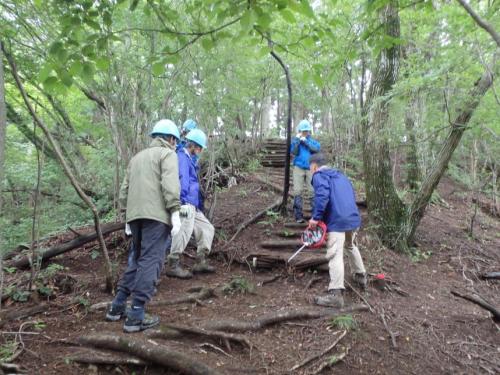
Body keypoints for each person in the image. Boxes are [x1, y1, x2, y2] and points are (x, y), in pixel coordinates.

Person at [105, 119, 182, 333]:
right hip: (157, 217)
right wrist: (175, 211)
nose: (176, 144)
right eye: (175, 141)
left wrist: (127, 216)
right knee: (151, 261)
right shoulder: (168, 154)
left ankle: (117, 306)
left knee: (136, 259)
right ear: (171, 139)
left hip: (135, 216)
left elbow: (124, 191)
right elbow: (170, 184)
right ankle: (136, 315)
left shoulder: (136, 158)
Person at [307, 153, 367, 308]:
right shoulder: (341, 176)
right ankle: (361, 276)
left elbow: (322, 195)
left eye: (310, 168)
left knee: (334, 253)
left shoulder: (319, 175)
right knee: (350, 245)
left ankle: (336, 295)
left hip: (337, 220)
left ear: (314, 166)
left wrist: (316, 218)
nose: (310, 170)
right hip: (352, 218)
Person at [165, 129, 215, 279]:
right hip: (185, 202)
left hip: (193, 204)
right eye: (198, 147)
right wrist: (183, 201)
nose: (199, 151)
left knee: (207, 228)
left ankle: (200, 261)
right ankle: (173, 264)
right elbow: (182, 179)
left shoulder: (190, 159)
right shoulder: (181, 157)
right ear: (192, 145)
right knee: (184, 230)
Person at [290, 119, 320, 222]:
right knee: (298, 191)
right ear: (300, 131)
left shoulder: (312, 141)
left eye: (306, 131)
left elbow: (316, 149)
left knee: (312, 191)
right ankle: (298, 216)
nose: (305, 132)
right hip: (298, 168)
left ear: (309, 131)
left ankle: (315, 216)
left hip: (310, 169)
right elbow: (294, 152)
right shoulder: (296, 140)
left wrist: (306, 142)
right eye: (303, 131)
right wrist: (298, 141)